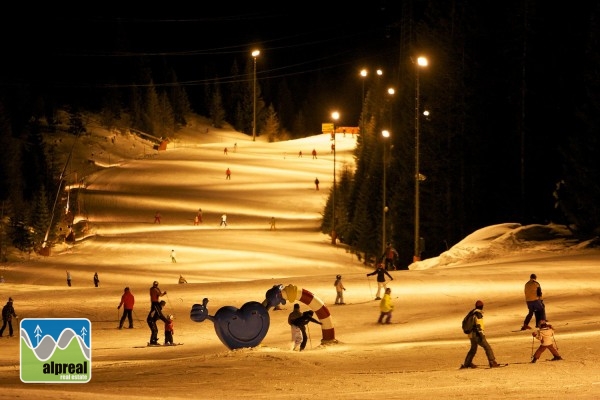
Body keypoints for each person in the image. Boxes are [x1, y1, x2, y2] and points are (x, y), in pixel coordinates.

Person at [460, 300, 501, 369]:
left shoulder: (471, 313)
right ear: (482, 307)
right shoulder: (478, 314)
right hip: (477, 334)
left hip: (471, 334)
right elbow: (479, 325)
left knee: (473, 349)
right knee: (487, 347)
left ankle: (467, 363)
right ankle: (492, 361)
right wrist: (482, 335)